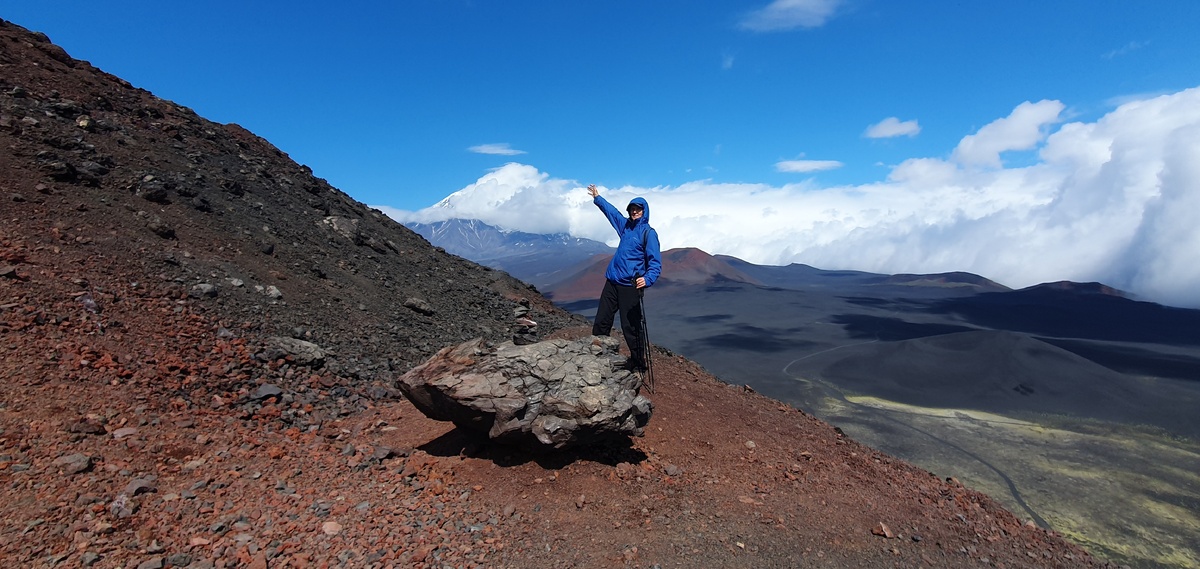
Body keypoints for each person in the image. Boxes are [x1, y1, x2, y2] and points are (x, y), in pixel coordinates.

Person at [587, 183, 662, 372]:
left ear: (645, 212)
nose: (634, 212)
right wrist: (598, 198)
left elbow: (655, 263)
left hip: (631, 286)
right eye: (632, 209)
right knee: (602, 320)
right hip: (612, 281)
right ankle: (596, 355)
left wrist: (647, 278)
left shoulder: (648, 234)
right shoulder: (626, 227)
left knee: (632, 327)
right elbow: (612, 213)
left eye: (638, 209)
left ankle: (638, 364)